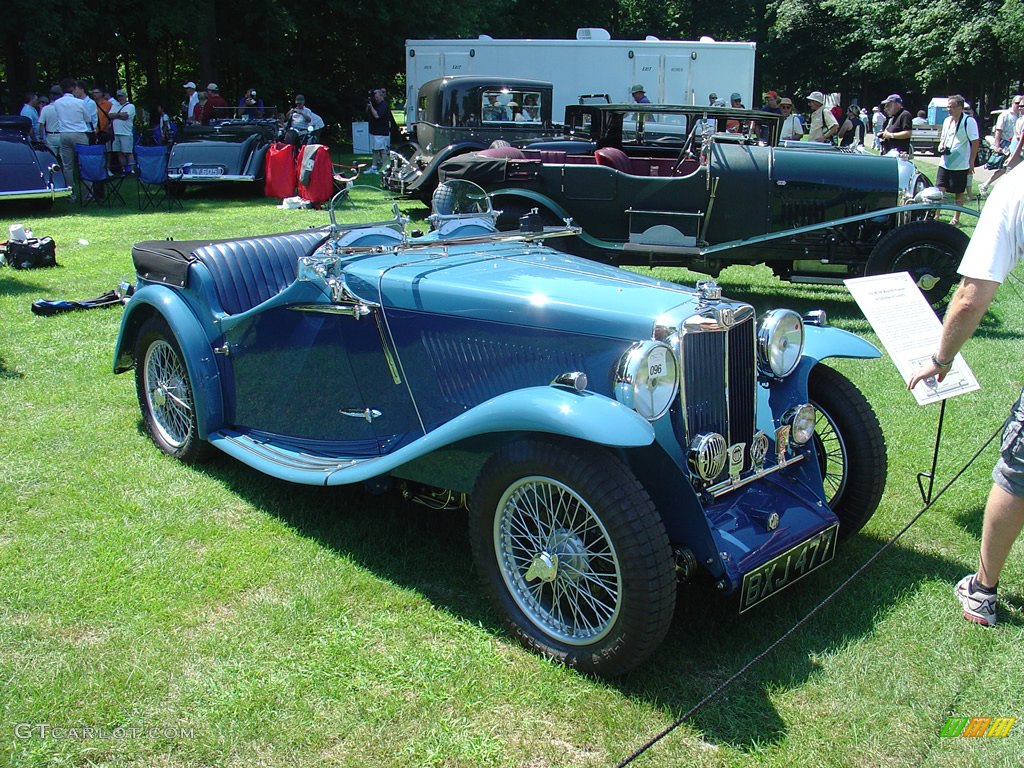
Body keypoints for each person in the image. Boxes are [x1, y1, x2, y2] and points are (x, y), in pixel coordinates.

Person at [907, 166, 1024, 627]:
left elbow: (972, 295)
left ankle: (982, 590)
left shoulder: (1014, 189)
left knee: (1017, 474)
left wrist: (940, 358)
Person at [935, 94, 979, 226]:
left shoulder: (968, 121)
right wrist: (941, 145)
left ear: (960, 107)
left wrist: (971, 162)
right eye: (947, 107)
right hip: (945, 162)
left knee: (959, 191)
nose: (949, 109)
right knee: (939, 189)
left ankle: (956, 218)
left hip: (960, 164)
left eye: (952, 107)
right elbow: (943, 137)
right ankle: (936, 215)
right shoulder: (947, 120)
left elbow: (975, 142)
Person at [51, 77, 94, 199]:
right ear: (74, 88)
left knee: (67, 166)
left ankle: (71, 193)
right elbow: (88, 119)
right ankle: (87, 193)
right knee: (84, 164)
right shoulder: (80, 102)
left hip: (64, 134)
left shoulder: (58, 103)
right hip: (79, 134)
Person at [366, 88, 396, 174]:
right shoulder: (375, 104)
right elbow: (368, 112)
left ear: (381, 96)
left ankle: (386, 168)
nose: (376, 99)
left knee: (382, 151)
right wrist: (369, 105)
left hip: (381, 132)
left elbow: (377, 116)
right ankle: (374, 167)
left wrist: (371, 106)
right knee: (375, 150)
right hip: (374, 131)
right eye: (375, 97)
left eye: (377, 97)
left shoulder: (384, 105)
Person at [108, 88, 136, 174]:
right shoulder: (115, 105)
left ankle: (132, 170)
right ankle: (123, 169)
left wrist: (115, 115)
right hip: (116, 133)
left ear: (125, 96)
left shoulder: (130, 106)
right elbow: (110, 115)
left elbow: (126, 116)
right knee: (119, 152)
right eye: (119, 96)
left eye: (121, 96)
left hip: (126, 133)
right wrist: (119, 115)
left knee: (128, 152)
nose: (120, 98)